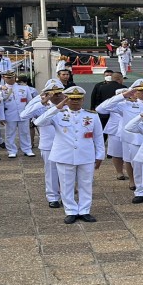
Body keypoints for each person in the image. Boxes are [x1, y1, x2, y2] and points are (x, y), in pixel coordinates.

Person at [34, 86, 104, 224]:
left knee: (86, 183)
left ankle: (84, 210)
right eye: (71, 99)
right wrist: (57, 107)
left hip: (86, 155)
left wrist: (100, 155)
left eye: (78, 99)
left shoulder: (92, 115)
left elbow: (98, 137)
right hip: (64, 155)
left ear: (83, 100)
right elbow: (38, 122)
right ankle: (71, 210)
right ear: (66, 99)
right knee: (66, 184)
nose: (75, 102)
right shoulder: (57, 114)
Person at [97, 79, 143, 203]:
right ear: (134, 92)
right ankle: (141, 191)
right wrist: (123, 95)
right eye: (140, 90)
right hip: (135, 140)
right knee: (137, 166)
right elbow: (101, 108)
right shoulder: (126, 105)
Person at [20, 79, 66, 208]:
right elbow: (23, 115)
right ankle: (53, 197)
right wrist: (42, 102)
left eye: (59, 93)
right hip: (48, 143)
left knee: (67, 170)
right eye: (53, 93)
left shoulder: (67, 102)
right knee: (51, 171)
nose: (57, 96)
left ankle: (66, 195)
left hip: (65, 143)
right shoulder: (40, 103)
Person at [0, 71, 36, 158]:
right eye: (8, 78)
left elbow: (29, 102)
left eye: (12, 77)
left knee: (25, 132)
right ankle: (11, 151)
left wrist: (30, 114)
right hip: (10, 114)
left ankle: (27, 149)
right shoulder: (1, 89)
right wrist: (1, 117)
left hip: (23, 114)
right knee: (10, 133)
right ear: (4, 78)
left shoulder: (24, 87)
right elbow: (1, 104)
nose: (11, 79)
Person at [102, 88, 130, 181]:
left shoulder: (132, 103)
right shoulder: (113, 103)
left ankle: (132, 173)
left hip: (128, 130)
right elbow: (103, 108)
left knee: (129, 153)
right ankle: (119, 172)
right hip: (114, 130)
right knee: (116, 152)